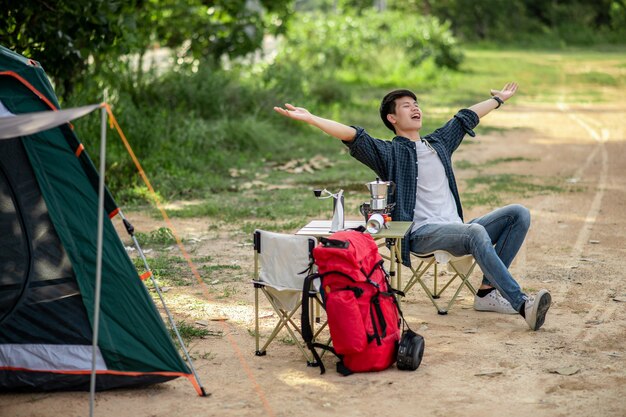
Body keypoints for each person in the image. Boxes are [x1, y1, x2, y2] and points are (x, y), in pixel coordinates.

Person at [274, 82, 552, 331]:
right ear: (392, 118)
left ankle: (488, 293)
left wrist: (498, 99)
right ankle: (522, 305)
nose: (415, 108)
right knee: (477, 232)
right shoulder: (389, 152)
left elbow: (466, 116)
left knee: (518, 213)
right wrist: (311, 119)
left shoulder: (438, 143)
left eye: (416, 104)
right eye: (406, 106)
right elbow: (352, 136)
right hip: (422, 233)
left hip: (458, 228)